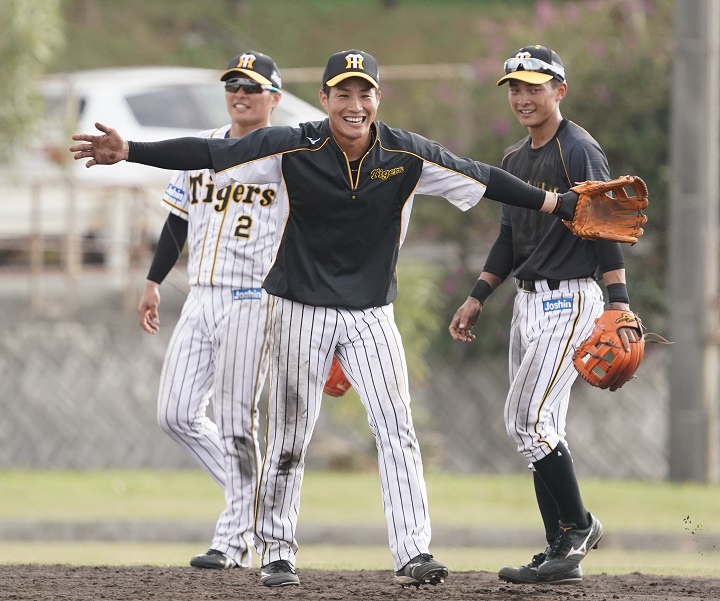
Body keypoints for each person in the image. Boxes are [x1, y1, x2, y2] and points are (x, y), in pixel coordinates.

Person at [70, 49, 610, 588]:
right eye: (343, 93)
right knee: (289, 433)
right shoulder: (293, 143)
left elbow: (482, 177)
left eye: (364, 93)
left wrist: (555, 204)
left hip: (371, 314)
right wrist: (132, 150)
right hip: (299, 306)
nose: (355, 104)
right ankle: (277, 551)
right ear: (325, 98)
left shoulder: (405, 152)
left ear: (377, 98)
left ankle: (414, 553)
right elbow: (211, 153)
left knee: (397, 430)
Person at [449, 45, 639, 584]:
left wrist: (619, 303)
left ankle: (575, 528)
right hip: (528, 301)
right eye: (514, 86)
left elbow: (604, 225)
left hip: (572, 297)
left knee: (526, 420)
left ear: (559, 90)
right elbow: (510, 238)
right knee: (541, 426)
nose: (522, 96)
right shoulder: (515, 158)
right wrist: (478, 295)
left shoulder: (578, 151)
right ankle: (562, 548)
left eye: (534, 86)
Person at [137, 51, 283, 570]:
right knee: (175, 412)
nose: (241, 92)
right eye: (234, 84)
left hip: (252, 295)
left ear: (274, 98)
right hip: (199, 293)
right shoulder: (201, 145)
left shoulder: (287, 155)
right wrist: (154, 280)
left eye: (253, 85)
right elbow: (178, 220)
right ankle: (264, 499)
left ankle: (232, 539)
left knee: (237, 421)